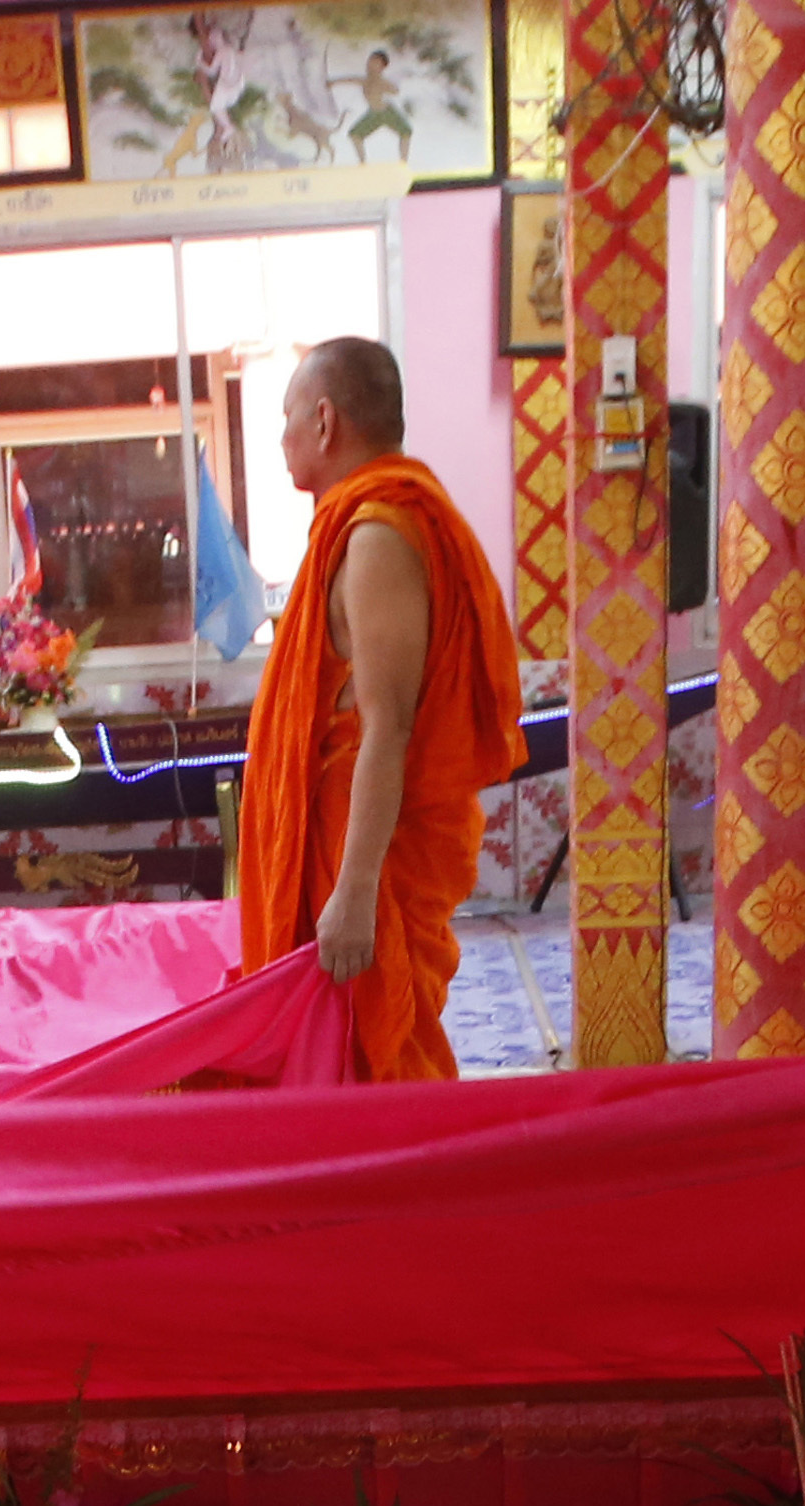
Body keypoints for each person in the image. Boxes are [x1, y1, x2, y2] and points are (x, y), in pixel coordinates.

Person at [237, 335, 522, 1082]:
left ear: (325, 422)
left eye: (288, 416)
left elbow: (388, 724)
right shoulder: (359, 524)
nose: (283, 437)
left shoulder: (377, 537)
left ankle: (397, 1189)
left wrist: (354, 892)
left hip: (365, 862)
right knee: (334, 1056)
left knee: (377, 1052)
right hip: (343, 843)